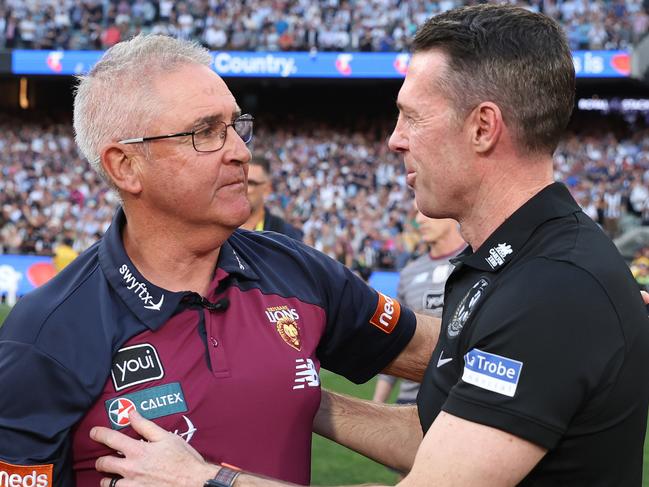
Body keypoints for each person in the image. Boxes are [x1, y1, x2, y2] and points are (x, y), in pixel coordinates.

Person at [90, 5, 649, 487]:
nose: (394, 139)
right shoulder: (507, 267)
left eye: (411, 116)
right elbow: (443, 438)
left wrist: (204, 478)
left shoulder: (552, 286)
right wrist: (287, 386)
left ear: (483, 128)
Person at [0, 34, 439, 487]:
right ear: (125, 166)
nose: (240, 151)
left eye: (235, 125)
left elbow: (441, 352)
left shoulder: (295, 270)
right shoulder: (46, 335)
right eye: (205, 132)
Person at [373, 212, 465, 409]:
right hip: (412, 401)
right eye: (415, 213)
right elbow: (396, 342)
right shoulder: (408, 273)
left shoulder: (479, 259)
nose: (419, 219)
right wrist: (377, 403)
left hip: (462, 397)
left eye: (425, 212)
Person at [240, 154, 303, 240]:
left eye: (251, 183)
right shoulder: (222, 228)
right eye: (240, 181)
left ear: (267, 189)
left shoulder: (284, 235)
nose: (243, 188)